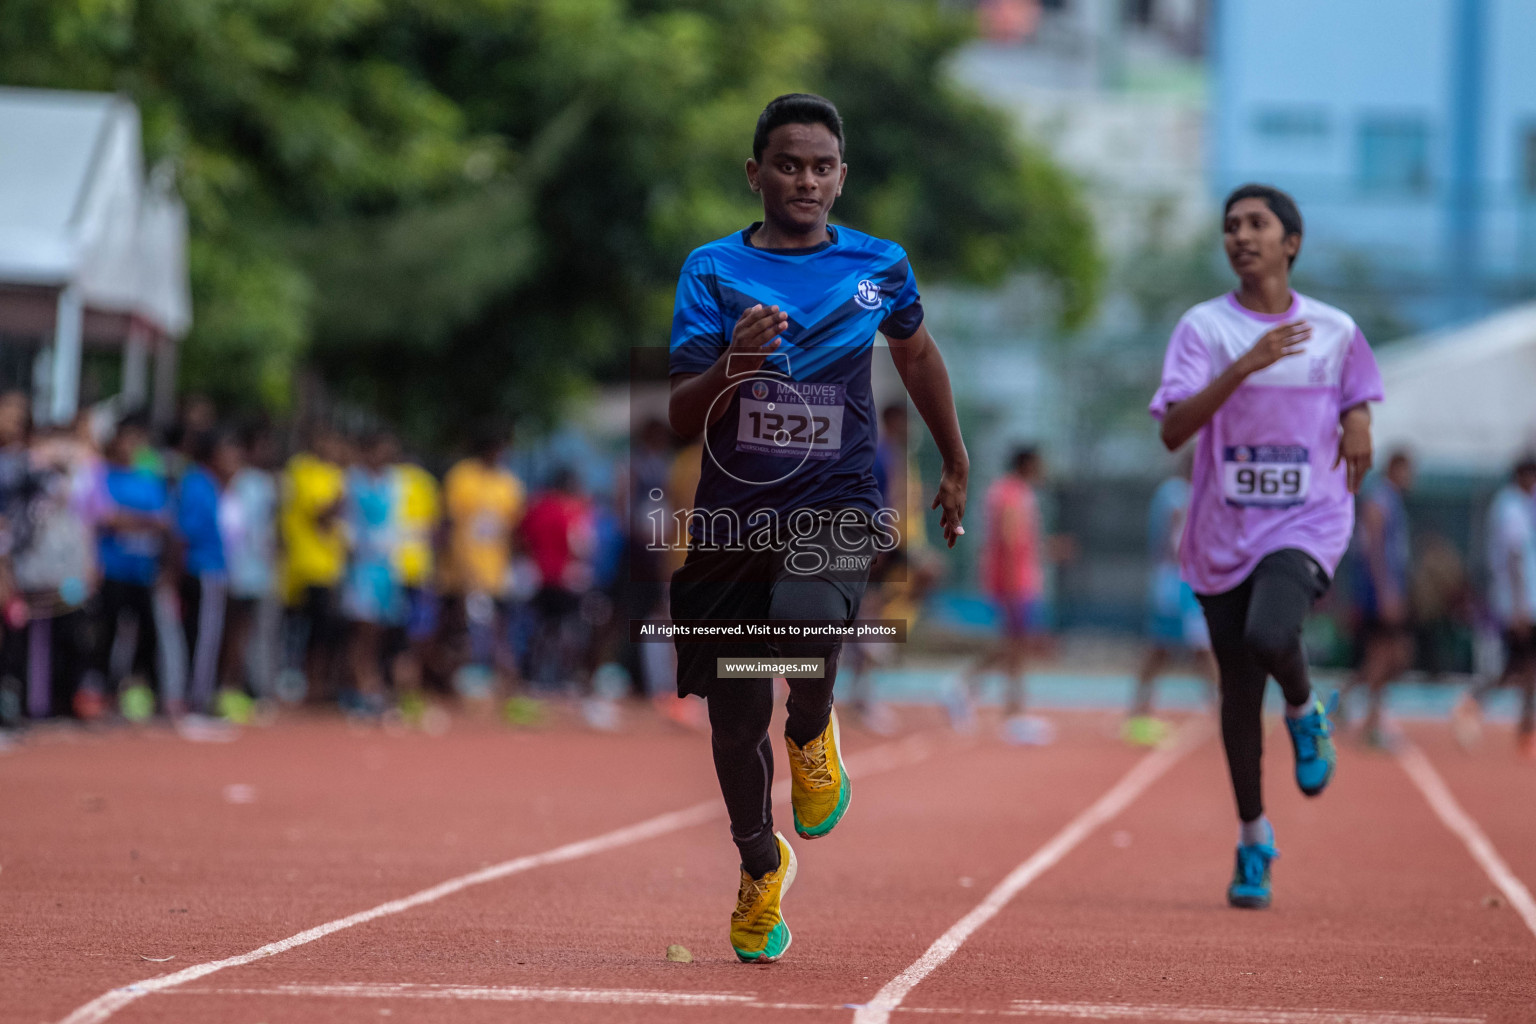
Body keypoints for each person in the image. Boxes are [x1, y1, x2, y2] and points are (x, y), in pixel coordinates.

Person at [666, 93, 966, 962]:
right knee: (731, 720)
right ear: (755, 173)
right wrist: (736, 363)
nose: (805, 179)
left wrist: (954, 458)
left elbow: (916, 355)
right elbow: (682, 413)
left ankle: (811, 729)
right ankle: (762, 866)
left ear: (842, 177)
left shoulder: (880, 265)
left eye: (821, 166)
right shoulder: (712, 271)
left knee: (806, 617)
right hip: (731, 519)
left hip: (834, 497)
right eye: (788, 164)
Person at [1150, 183, 1381, 910]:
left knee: (1270, 632)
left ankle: (1307, 706)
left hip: (1307, 521)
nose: (1241, 235)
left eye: (1257, 224)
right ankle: (1254, 840)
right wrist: (1244, 365)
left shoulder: (1336, 329)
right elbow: (1173, 428)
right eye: (1230, 225)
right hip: (1223, 530)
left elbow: (1359, 395)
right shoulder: (1203, 329)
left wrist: (1359, 423)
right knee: (1237, 695)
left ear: (1292, 242)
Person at [952, 446, 1054, 730]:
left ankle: (1008, 704)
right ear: (1028, 464)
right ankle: (974, 689)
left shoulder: (1015, 492)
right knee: (1014, 644)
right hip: (1014, 581)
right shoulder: (1010, 493)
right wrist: (1010, 584)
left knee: (1016, 645)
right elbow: (1009, 542)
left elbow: (1019, 541)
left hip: (1019, 579)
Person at [1127, 456, 1217, 746]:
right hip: (1175, 584)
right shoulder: (1175, 493)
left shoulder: (1187, 492)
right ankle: (1138, 711)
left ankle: (1226, 710)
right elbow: (1178, 540)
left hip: (1184, 583)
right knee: (1167, 648)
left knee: (1198, 649)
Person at [87, 416, 174, 714]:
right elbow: (107, 517)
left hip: (143, 571)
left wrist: (134, 522)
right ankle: (102, 690)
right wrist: (144, 521)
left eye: (139, 441)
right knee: (107, 634)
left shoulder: (148, 480)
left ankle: (138, 690)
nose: (133, 446)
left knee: (147, 635)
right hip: (112, 569)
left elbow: (164, 522)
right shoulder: (103, 474)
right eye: (128, 439)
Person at [1451, 456, 1536, 758]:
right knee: (1519, 668)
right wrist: (1518, 606)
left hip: (1524, 600)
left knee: (1524, 669)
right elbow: (1514, 557)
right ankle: (1476, 702)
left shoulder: (1522, 504)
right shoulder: (1511, 506)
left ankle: (1525, 729)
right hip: (1520, 603)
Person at [439, 424, 526, 702]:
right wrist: (457, 566)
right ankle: (453, 684)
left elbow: (513, 531)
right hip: (461, 572)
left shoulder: (509, 484)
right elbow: (449, 524)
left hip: (496, 573)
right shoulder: (462, 477)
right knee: (458, 631)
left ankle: (494, 684)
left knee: (496, 631)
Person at [1343, 450, 1415, 747]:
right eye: (1407, 471)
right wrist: (1385, 592)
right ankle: (1371, 724)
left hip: (1389, 587)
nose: (1411, 478)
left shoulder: (1392, 499)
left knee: (1394, 658)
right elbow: (1373, 547)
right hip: (1378, 591)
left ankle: (1347, 700)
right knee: (1384, 656)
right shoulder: (1380, 497)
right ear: (1394, 468)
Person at [278, 427, 348, 702]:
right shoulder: (301, 469)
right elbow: (319, 513)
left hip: (329, 564)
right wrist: (341, 499)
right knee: (301, 628)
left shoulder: (335, 474)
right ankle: (299, 683)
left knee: (326, 630)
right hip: (305, 563)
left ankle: (317, 684)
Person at [340, 432, 404, 716]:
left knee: (378, 632)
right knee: (361, 630)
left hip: (386, 567)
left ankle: (369, 684)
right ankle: (361, 686)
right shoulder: (353, 481)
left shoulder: (394, 482)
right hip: (362, 565)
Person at [175, 431, 238, 714]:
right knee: (204, 636)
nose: (234, 458)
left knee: (204, 634)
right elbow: (184, 530)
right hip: (202, 568)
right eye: (228, 451)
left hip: (208, 567)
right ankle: (197, 698)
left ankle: (197, 694)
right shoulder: (199, 484)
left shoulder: (209, 484)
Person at [219, 425, 278, 701]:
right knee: (231, 630)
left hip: (259, 569)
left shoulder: (266, 483)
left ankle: (247, 685)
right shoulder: (235, 480)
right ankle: (227, 685)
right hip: (233, 567)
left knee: (251, 632)